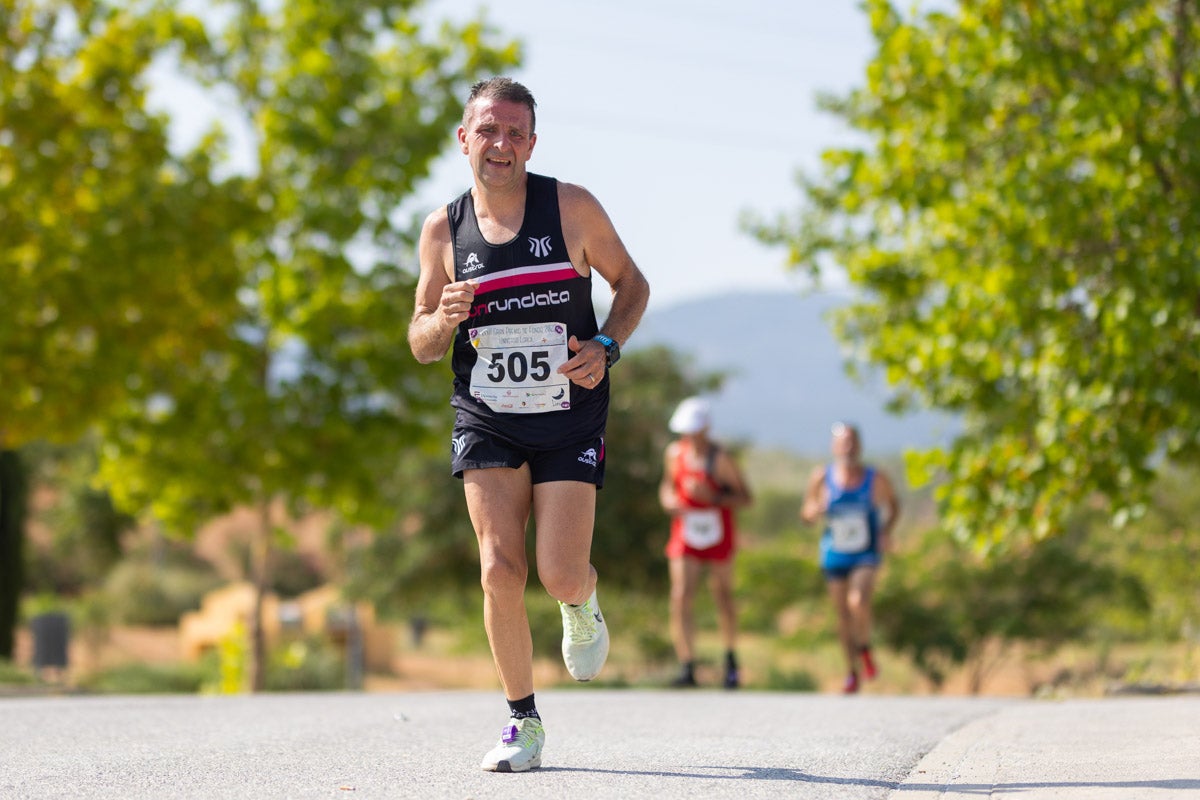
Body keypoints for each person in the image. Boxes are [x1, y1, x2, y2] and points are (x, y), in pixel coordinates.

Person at [407, 77, 649, 773]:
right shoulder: (441, 229)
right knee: (499, 568)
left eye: (515, 133)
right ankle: (523, 721)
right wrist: (442, 318)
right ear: (464, 138)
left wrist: (606, 347)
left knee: (558, 573)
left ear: (532, 143)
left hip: (570, 413)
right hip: (486, 415)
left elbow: (633, 284)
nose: (501, 145)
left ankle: (582, 600)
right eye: (488, 130)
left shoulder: (570, 207)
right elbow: (421, 340)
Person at [658, 397, 753, 689]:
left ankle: (730, 659)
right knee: (681, 595)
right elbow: (667, 486)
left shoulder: (720, 459)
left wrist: (712, 498)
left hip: (718, 531)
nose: (689, 437)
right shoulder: (674, 454)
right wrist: (668, 501)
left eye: (694, 431)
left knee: (723, 595)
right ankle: (687, 664)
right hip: (685, 530)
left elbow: (746, 498)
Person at [800, 422, 900, 694]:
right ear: (834, 446)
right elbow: (806, 515)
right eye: (842, 442)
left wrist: (886, 532)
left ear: (860, 445)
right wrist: (816, 509)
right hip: (835, 552)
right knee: (842, 615)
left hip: (866, 550)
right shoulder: (821, 477)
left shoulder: (874, 477)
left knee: (858, 601)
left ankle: (865, 648)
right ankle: (851, 671)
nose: (848, 447)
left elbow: (894, 504)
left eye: (852, 442)